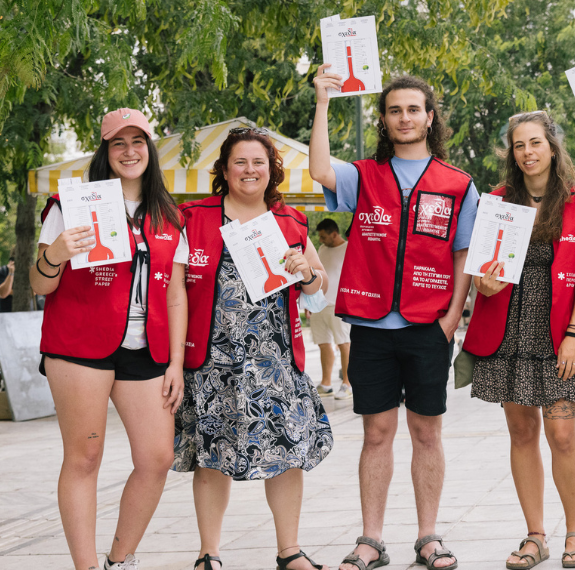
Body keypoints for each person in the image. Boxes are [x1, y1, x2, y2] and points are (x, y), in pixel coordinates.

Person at [310, 68, 478, 570]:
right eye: (394, 109)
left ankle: (428, 536)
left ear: (430, 118)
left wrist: (451, 319)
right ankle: (371, 540)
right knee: (376, 434)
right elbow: (320, 169)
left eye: (413, 109)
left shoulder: (458, 184)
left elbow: (464, 255)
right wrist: (322, 102)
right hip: (372, 326)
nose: (404, 117)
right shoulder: (362, 175)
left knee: (428, 433)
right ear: (383, 119)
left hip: (429, 327)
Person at [30, 108, 187, 570]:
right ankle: (85, 567)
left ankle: (120, 558)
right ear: (105, 151)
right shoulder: (69, 205)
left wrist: (176, 362)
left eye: (138, 142)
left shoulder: (169, 215)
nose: (129, 151)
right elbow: (42, 286)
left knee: (158, 458)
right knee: (85, 457)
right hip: (79, 344)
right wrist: (55, 255)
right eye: (118, 143)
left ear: (150, 150)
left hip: (147, 348)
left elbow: (175, 294)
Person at [173, 127, 333, 570]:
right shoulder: (195, 217)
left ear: (271, 169)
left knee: (285, 455)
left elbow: (318, 293)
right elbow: (176, 294)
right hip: (211, 361)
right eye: (240, 162)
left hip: (275, 361)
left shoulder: (291, 222)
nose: (249, 170)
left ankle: (289, 550)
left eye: (258, 162)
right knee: (212, 456)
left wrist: (307, 272)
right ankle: (209, 552)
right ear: (224, 169)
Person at [462, 111, 575, 569]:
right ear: (511, 153)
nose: (528, 152)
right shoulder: (497, 201)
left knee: (562, 433)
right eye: (519, 145)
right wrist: (486, 284)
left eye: (536, 142)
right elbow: (486, 279)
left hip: (561, 329)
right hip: (509, 327)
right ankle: (535, 536)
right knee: (522, 432)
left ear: (553, 146)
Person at [312, 218, 353, 400]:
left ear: (334, 234)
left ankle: (347, 383)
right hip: (319, 303)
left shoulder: (349, 249)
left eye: (323, 236)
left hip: (339, 304)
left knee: (344, 344)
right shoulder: (322, 249)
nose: (320, 240)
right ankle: (326, 384)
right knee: (323, 344)